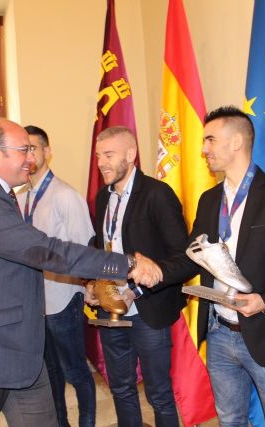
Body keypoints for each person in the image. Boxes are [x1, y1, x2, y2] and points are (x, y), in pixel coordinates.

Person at [0, 118, 159, 427]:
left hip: (16, 349)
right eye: (23, 150)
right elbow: (44, 250)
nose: (30, 158)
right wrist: (125, 264)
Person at [160, 106, 265, 426]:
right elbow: (191, 255)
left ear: (235, 142)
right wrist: (156, 271)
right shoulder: (208, 200)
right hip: (219, 332)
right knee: (230, 419)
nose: (203, 149)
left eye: (210, 140)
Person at [86, 126, 188, 427]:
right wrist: (91, 283)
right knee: (120, 388)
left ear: (130, 155)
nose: (101, 163)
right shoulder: (103, 197)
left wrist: (136, 290)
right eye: (98, 156)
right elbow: (101, 247)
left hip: (148, 311)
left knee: (159, 394)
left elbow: (181, 258)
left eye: (108, 155)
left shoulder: (157, 194)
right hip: (110, 310)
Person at [16, 125, 96, 427]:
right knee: (50, 375)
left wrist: (86, 287)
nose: (28, 155)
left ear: (48, 152)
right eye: (23, 150)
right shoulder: (20, 197)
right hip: (33, 304)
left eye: (33, 148)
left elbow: (83, 248)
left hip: (62, 300)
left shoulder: (64, 195)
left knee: (76, 371)